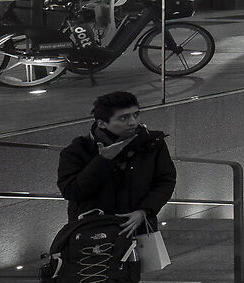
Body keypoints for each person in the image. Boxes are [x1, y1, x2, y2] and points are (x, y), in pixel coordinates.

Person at [56, 91, 177, 238]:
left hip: (140, 229)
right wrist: (103, 161)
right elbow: (72, 191)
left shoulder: (151, 142)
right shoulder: (77, 151)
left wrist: (144, 210)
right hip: (94, 234)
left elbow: (165, 180)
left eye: (136, 114)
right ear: (102, 123)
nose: (133, 122)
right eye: (123, 118)